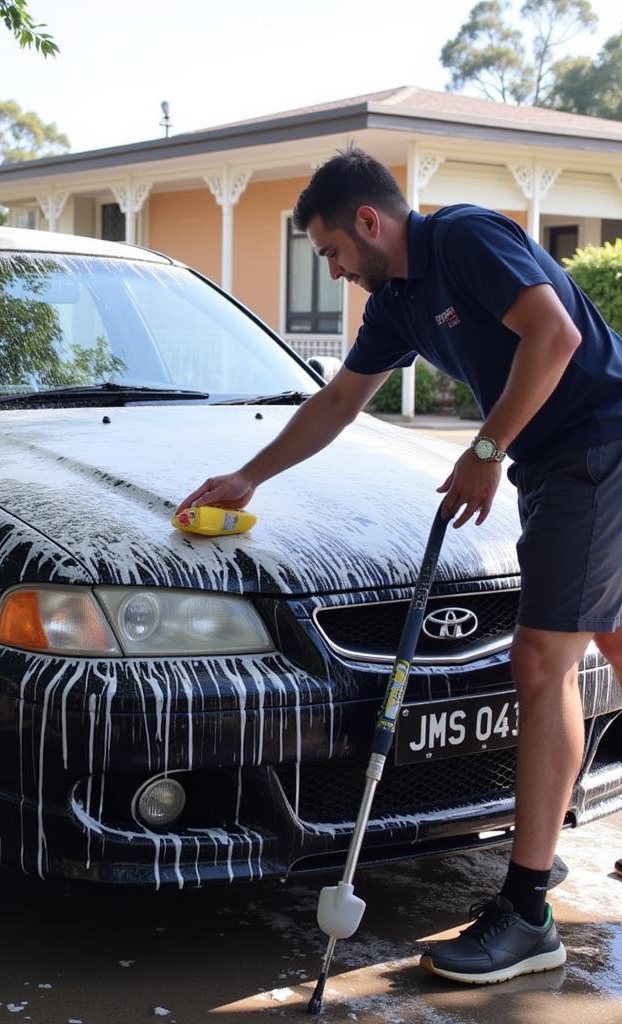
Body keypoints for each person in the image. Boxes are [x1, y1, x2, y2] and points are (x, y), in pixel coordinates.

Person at [176, 146, 622, 985]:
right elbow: (339, 402)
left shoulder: (465, 241)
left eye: (333, 252)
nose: (337, 272)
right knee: (607, 635)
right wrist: (248, 476)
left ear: (369, 223)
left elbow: (555, 334)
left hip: (596, 445)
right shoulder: (398, 303)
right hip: (571, 455)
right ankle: (536, 882)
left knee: (541, 659)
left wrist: (488, 448)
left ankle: (528, 913)